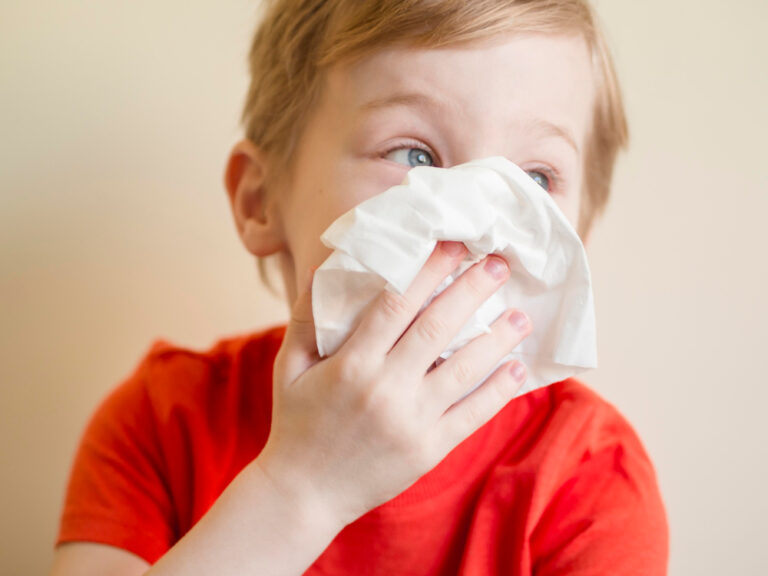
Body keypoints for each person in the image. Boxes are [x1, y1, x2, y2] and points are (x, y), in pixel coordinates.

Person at [51, 1, 669, 574]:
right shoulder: (160, 425)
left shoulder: (589, 478)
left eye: (534, 180)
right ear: (261, 202)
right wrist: (301, 489)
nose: (480, 222)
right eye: (415, 156)